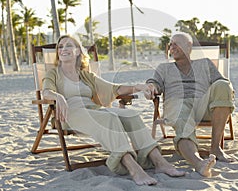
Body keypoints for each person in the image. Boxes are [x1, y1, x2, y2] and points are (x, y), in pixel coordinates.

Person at [42, 35, 185, 186]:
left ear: (78, 51)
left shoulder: (85, 75)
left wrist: (139, 86)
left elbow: (113, 88)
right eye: (60, 47)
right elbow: (46, 92)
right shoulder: (53, 73)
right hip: (69, 114)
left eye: (68, 46)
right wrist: (58, 97)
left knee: (131, 115)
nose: (63, 49)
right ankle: (133, 168)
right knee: (109, 118)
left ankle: (160, 162)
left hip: (92, 110)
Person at [145, 33, 235, 177]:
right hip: (177, 104)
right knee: (183, 121)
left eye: (176, 44)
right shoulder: (164, 68)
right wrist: (150, 87)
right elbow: (154, 83)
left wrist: (224, 88)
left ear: (189, 47)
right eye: (171, 44)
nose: (172, 47)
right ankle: (199, 164)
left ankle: (215, 148)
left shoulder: (205, 63)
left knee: (224, 85)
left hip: (202, 105)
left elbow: (221, 84)